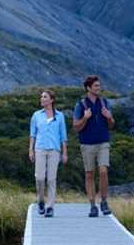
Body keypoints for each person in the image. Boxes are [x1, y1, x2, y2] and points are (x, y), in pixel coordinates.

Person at [72, 75, 115, 217]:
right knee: (89, 174)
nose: (99, 88)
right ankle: (92, 205)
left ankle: (104, 201)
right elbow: (76, 127)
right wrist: (85, 118)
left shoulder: (104, 103)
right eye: (96, 86)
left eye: (99, 85)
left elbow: (111, 125)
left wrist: (109, 117)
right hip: (87, 144)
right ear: (88, 88)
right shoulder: (80, 105)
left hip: (103, 142)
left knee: (103, 170)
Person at [28, 89, 68, 218]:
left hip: (55, 150)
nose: (42, 99)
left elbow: (63, 136)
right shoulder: (36, 115)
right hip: (39, 148)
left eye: (45, 97)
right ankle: (40, 200)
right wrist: (30, 149)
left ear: (51, 100)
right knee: (39, 177)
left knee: (51, 179)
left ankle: (50, 207)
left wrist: (65, 153)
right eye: (41, 97)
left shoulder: (60, 116)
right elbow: (32, 134)